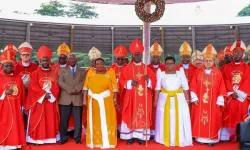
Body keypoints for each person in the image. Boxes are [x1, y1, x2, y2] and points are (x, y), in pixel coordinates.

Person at [119, 39, 156, 145]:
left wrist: (148, 80)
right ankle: (130, 136)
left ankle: (140, 136)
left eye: (139, 54)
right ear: (132, 55)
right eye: (135, 55)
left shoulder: (147, 69)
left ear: (141, 55)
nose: (137, 56)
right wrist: (129, 82)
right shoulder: (127, 68)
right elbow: (121, 82)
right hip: (131, 97)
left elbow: (154, 81)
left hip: (144, 98)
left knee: (142, 115)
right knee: (130, 114)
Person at [190, 44, 227, 146]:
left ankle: (212, 139)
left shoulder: (218, 72)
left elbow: (221, 87)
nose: (208, 62)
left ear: (213, 61)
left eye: (210, 60)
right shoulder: (198, 72)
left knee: (213, 119)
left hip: (213, 102)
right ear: (203, 61)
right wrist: (194, 97)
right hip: (200, 101)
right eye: (206, 60)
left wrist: (219, 99)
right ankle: (200, 138)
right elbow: (193, 85)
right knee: (199, 118)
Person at [25, 45, 60, 144]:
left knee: (50, 119)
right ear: (40, 61)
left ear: (49, 61)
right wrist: (44, 95)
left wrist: (50, 94)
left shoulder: (54, 73)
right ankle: (37, 139)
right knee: (38, 120)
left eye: (47, 60)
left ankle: (50, 138)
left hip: (50, 100)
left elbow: (56, 85)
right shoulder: (34, 74)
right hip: (39, 101)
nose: (45, 62)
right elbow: (33, 87)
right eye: (43, 60)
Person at [154, 56, 192, 147]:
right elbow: (157, 88)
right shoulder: (161, 74)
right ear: (165, 65)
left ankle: (178, 139)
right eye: (167, 63)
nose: (169, 65)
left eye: (171, 63)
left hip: (178, 100)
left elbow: (185, 87)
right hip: (164, 100)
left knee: (177, 118)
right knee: (164, 118)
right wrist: (155, 100)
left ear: (174, 65)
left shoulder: (180, 73)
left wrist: (187, 100)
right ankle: (164, 139)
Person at [83, 58, 118, 148]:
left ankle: (108, 141)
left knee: (107, 119)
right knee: (94, 119)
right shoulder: (90, 72)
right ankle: (94, 141)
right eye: (97, 64)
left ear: (104, 64)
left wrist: (115, 99)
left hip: (106, 100)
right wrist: (84, 99)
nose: (99, 66)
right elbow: (86, 86)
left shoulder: (110, 73)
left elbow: (115, 87)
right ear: (94, 65)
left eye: (101, 64)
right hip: (93, 100)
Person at [220, 40, 250, 141]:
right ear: (232, 53)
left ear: (242, 54)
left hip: (242, 97)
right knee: (228, 110)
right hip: (230, 96)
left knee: (243, 109)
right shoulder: (225, 68)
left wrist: (239, 93)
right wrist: (231, 92)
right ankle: (228, 136)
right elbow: (224, 79)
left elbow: (247, 80)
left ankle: (242, 135)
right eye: (235, 52)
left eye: (239, 52)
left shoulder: (248, 68)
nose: (236, 54)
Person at [0, 50, 26, 150]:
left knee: (16, 125)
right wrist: (3, 93)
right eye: (7, 66)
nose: (9, 68)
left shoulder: (18, 78)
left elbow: (22, 92)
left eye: (11, 66)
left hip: (16, 106)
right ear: (2, 66)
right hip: (3, 106)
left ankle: (15, 144)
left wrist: (22, 105)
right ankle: (3, 145)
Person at [58, 53, 85, 145]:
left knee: (78, 120)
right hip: (65, 98)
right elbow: (60, 82)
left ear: (76, 60)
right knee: (64, 119)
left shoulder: (82, 71)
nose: (71, 60)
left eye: (73, 59)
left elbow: (84, 82)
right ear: (67, 60)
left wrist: (76, 89)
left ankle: (77, 137)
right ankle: (63, 137)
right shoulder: (62, 70)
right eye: (70, 59)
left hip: (77, 98)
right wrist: (70, 89)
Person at [108, 45, 128, 134]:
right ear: (116, 58)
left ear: (124, 59)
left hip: (124, 94)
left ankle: (123, 130)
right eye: (118, 59)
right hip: (113, 95)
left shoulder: (128, 68)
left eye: (122, 59)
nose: (120, 61)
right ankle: (114, 129)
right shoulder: (111, 68)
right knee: (113, 112)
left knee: (123, 112)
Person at [148, 42, 165, 139]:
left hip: (162, 94)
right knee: (151, 113)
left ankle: (160, 131)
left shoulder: (164, 67)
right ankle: (150, 132)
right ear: (151, 57)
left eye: (157, 57)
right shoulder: (146, 67)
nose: (155, 59)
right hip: (150, 94)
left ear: (160, 58)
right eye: (153, 57)